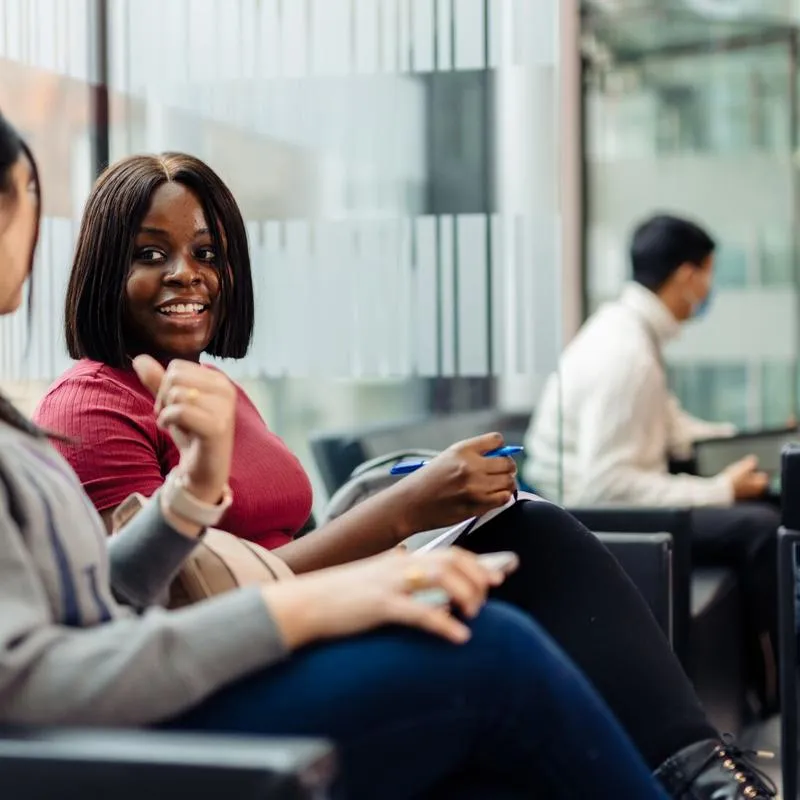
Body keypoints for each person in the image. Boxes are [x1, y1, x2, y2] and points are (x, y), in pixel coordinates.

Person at [0, 110, 695, 800]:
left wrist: (191, 495)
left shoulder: (206, 388)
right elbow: (89, 648)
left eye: (208, 254)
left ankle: (702, 772)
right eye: (151, 254)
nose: (188, 275)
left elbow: (107, 596)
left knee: (524, 549)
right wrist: (336, 580)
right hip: (172, 709)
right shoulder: (90, 408)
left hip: (202, 661)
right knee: (494, 646)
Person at [523, 213, 780, 716]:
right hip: (584, 515)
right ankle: (774, 693)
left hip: (586, 500)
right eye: (709, 273)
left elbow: (672, 428)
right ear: (688, 276)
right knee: (760, 527)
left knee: (765, 501)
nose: (709, 288)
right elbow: (604, 484)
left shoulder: (630, 332)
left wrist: (757, 442)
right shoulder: (627, 354)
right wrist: (718, 490)